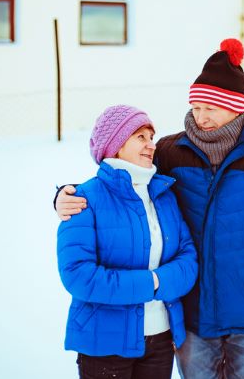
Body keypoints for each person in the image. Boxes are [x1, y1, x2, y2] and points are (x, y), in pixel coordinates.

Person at [56, 39, 244, 379]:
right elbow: (121, 183)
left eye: (211, 107)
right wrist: (64, 196)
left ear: (236, 106)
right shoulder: (169, 153)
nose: (201, 117)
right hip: (191, 314)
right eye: (195, 107)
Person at [57, 105, 198, 379]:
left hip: (160, 339)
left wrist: (158, 280)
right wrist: (154, 283)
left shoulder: (163, 194)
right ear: (117, 144)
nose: (151, 145)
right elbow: (78, 276)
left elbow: (188, 259)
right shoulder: (83, 199)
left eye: (151, 136)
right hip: (104, 344)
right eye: (140, 137)